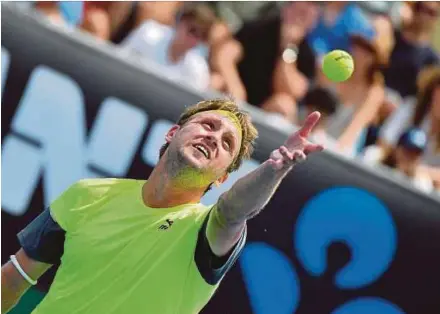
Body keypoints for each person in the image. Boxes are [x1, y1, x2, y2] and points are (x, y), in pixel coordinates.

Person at [1, 99, 324, 314]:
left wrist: (275, 168)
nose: (214, 138)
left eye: (227, 143)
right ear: (173, 133)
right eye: (208, 125)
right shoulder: (87, 194)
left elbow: (233, 210)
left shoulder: (208, 232)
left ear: (223, 177)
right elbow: (14, 279)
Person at [211, 1, 319, 123]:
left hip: (264, 110)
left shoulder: (307, 56)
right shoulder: (260, 28)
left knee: (285, 104)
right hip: (236, 96)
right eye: (297, 12)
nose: (298, 20)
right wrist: (234, 87)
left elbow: (291, 90)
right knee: (216, 81)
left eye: (304, 16)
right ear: (286, 9)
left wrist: (288, 47)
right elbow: (223, 56)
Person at [120, 4, 216, 91]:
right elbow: (119, 66)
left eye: (201, 35)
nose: (194, 40)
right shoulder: (147, 34)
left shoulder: (198, 69)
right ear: (180, 22)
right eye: (192, 30)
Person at [378, 65, 440, 189]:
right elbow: (384, 142)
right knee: (372, 155)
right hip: (392, 166)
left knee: (422, 183)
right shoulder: (411, 108)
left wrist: (419, 170)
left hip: (426, 187)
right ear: (434, 89)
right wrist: (402, 161)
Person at [383, 1, 440, 98]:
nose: (423, 16)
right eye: (420, 8)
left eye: (431, 12)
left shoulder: (432, 59)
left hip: (400, 107)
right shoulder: (390, 35)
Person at [363, 127, 433, 193]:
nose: (410, 157)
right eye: (407, 150)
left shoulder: (421, 182)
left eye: (416, 153)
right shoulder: (376, 157)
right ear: (397, 148)